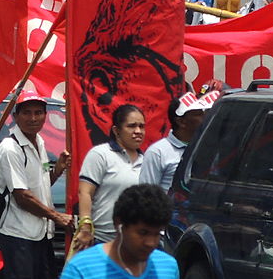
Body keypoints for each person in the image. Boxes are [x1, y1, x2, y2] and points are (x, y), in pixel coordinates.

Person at [0, 94, 71, 279]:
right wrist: (57, 217)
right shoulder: (10, 148)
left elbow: (40, 186)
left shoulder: (39, 142)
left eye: (38, 113)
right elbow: (22, 197)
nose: (33, 118)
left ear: (46, 115)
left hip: (42, 234)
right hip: (19, 235)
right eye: (27, 113)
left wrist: (57, 170)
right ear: (16, 116)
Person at [60, 184, 177, 279]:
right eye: (143, 233)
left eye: (156, 234)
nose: (150, 243)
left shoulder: (168, 267)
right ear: (119, 224)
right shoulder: (82, 268)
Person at [74, 104, 145, 248]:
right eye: (131, 126)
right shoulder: (100, 155)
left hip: (135, 245)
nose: (138, 131)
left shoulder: (147, 161)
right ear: (116, 130)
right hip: (101, 241)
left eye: (142, 126)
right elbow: (85, 192)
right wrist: (85, 227)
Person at [139, 95, 209, 194]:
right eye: (198, 114)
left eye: (203, 113)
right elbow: (146, 195)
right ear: (181, 122)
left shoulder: (206, 148)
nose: (204, 118)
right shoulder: (158, 152)